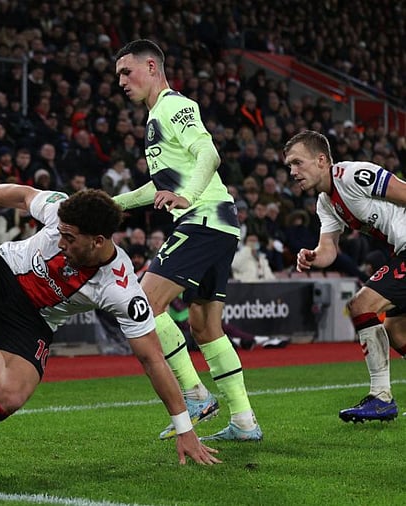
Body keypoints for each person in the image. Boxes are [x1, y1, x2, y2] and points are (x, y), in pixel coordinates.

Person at [0, 184, 220, 465]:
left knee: (7, 399)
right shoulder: (62, 212)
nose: (60, 241)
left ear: (97, 241)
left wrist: (184, 428)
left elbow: (153, 359)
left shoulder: (120, 290)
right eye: (61, 234)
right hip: (0, 269)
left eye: (69, 239)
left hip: (33, 318)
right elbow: (22, 195)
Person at [112, 40, 262, 441]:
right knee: (206, 327)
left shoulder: (174, 106)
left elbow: (209, 154)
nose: (122, 82)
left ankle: (194, 395)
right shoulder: (155, 117)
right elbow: (161, 185)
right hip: (220, 223)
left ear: (151, 66)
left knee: (143, 302)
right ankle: (245, 423)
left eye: (127, 72)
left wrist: (187, 198)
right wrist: (110, 205)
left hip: (203, 219)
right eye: (118, 77)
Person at [288, 130, 406, 423]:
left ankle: (381, 398)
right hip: (400, 251)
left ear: (321, 160)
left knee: (361, 305)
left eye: (297, 163)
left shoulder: (352, 175)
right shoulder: (325, 203)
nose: (292, 172)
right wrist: (314, 257)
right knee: (396, 330)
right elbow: (328, 251)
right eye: (289, 166)